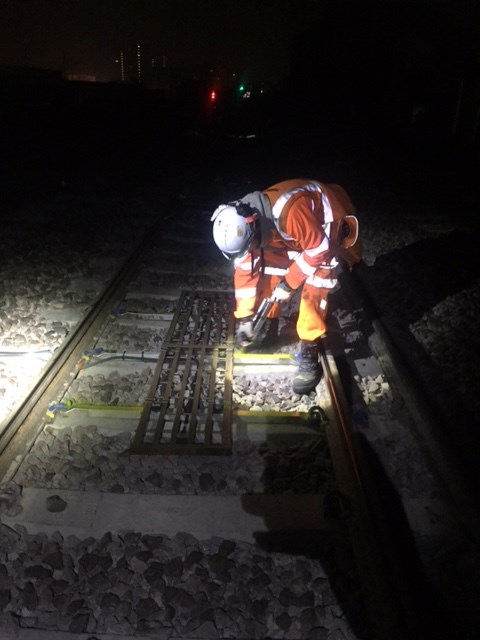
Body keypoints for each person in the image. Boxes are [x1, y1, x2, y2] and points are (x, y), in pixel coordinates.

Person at [211, 179, 362, 394]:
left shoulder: (289, 213)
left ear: (254, 229)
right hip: (292, 234)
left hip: (324, 231)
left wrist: (290, 283)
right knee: (270, 271)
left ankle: (310, 355)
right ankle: (268, 328)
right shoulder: (245, 221)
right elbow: (246, 269)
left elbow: (318, 249)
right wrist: (246, 318)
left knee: (314, 289)